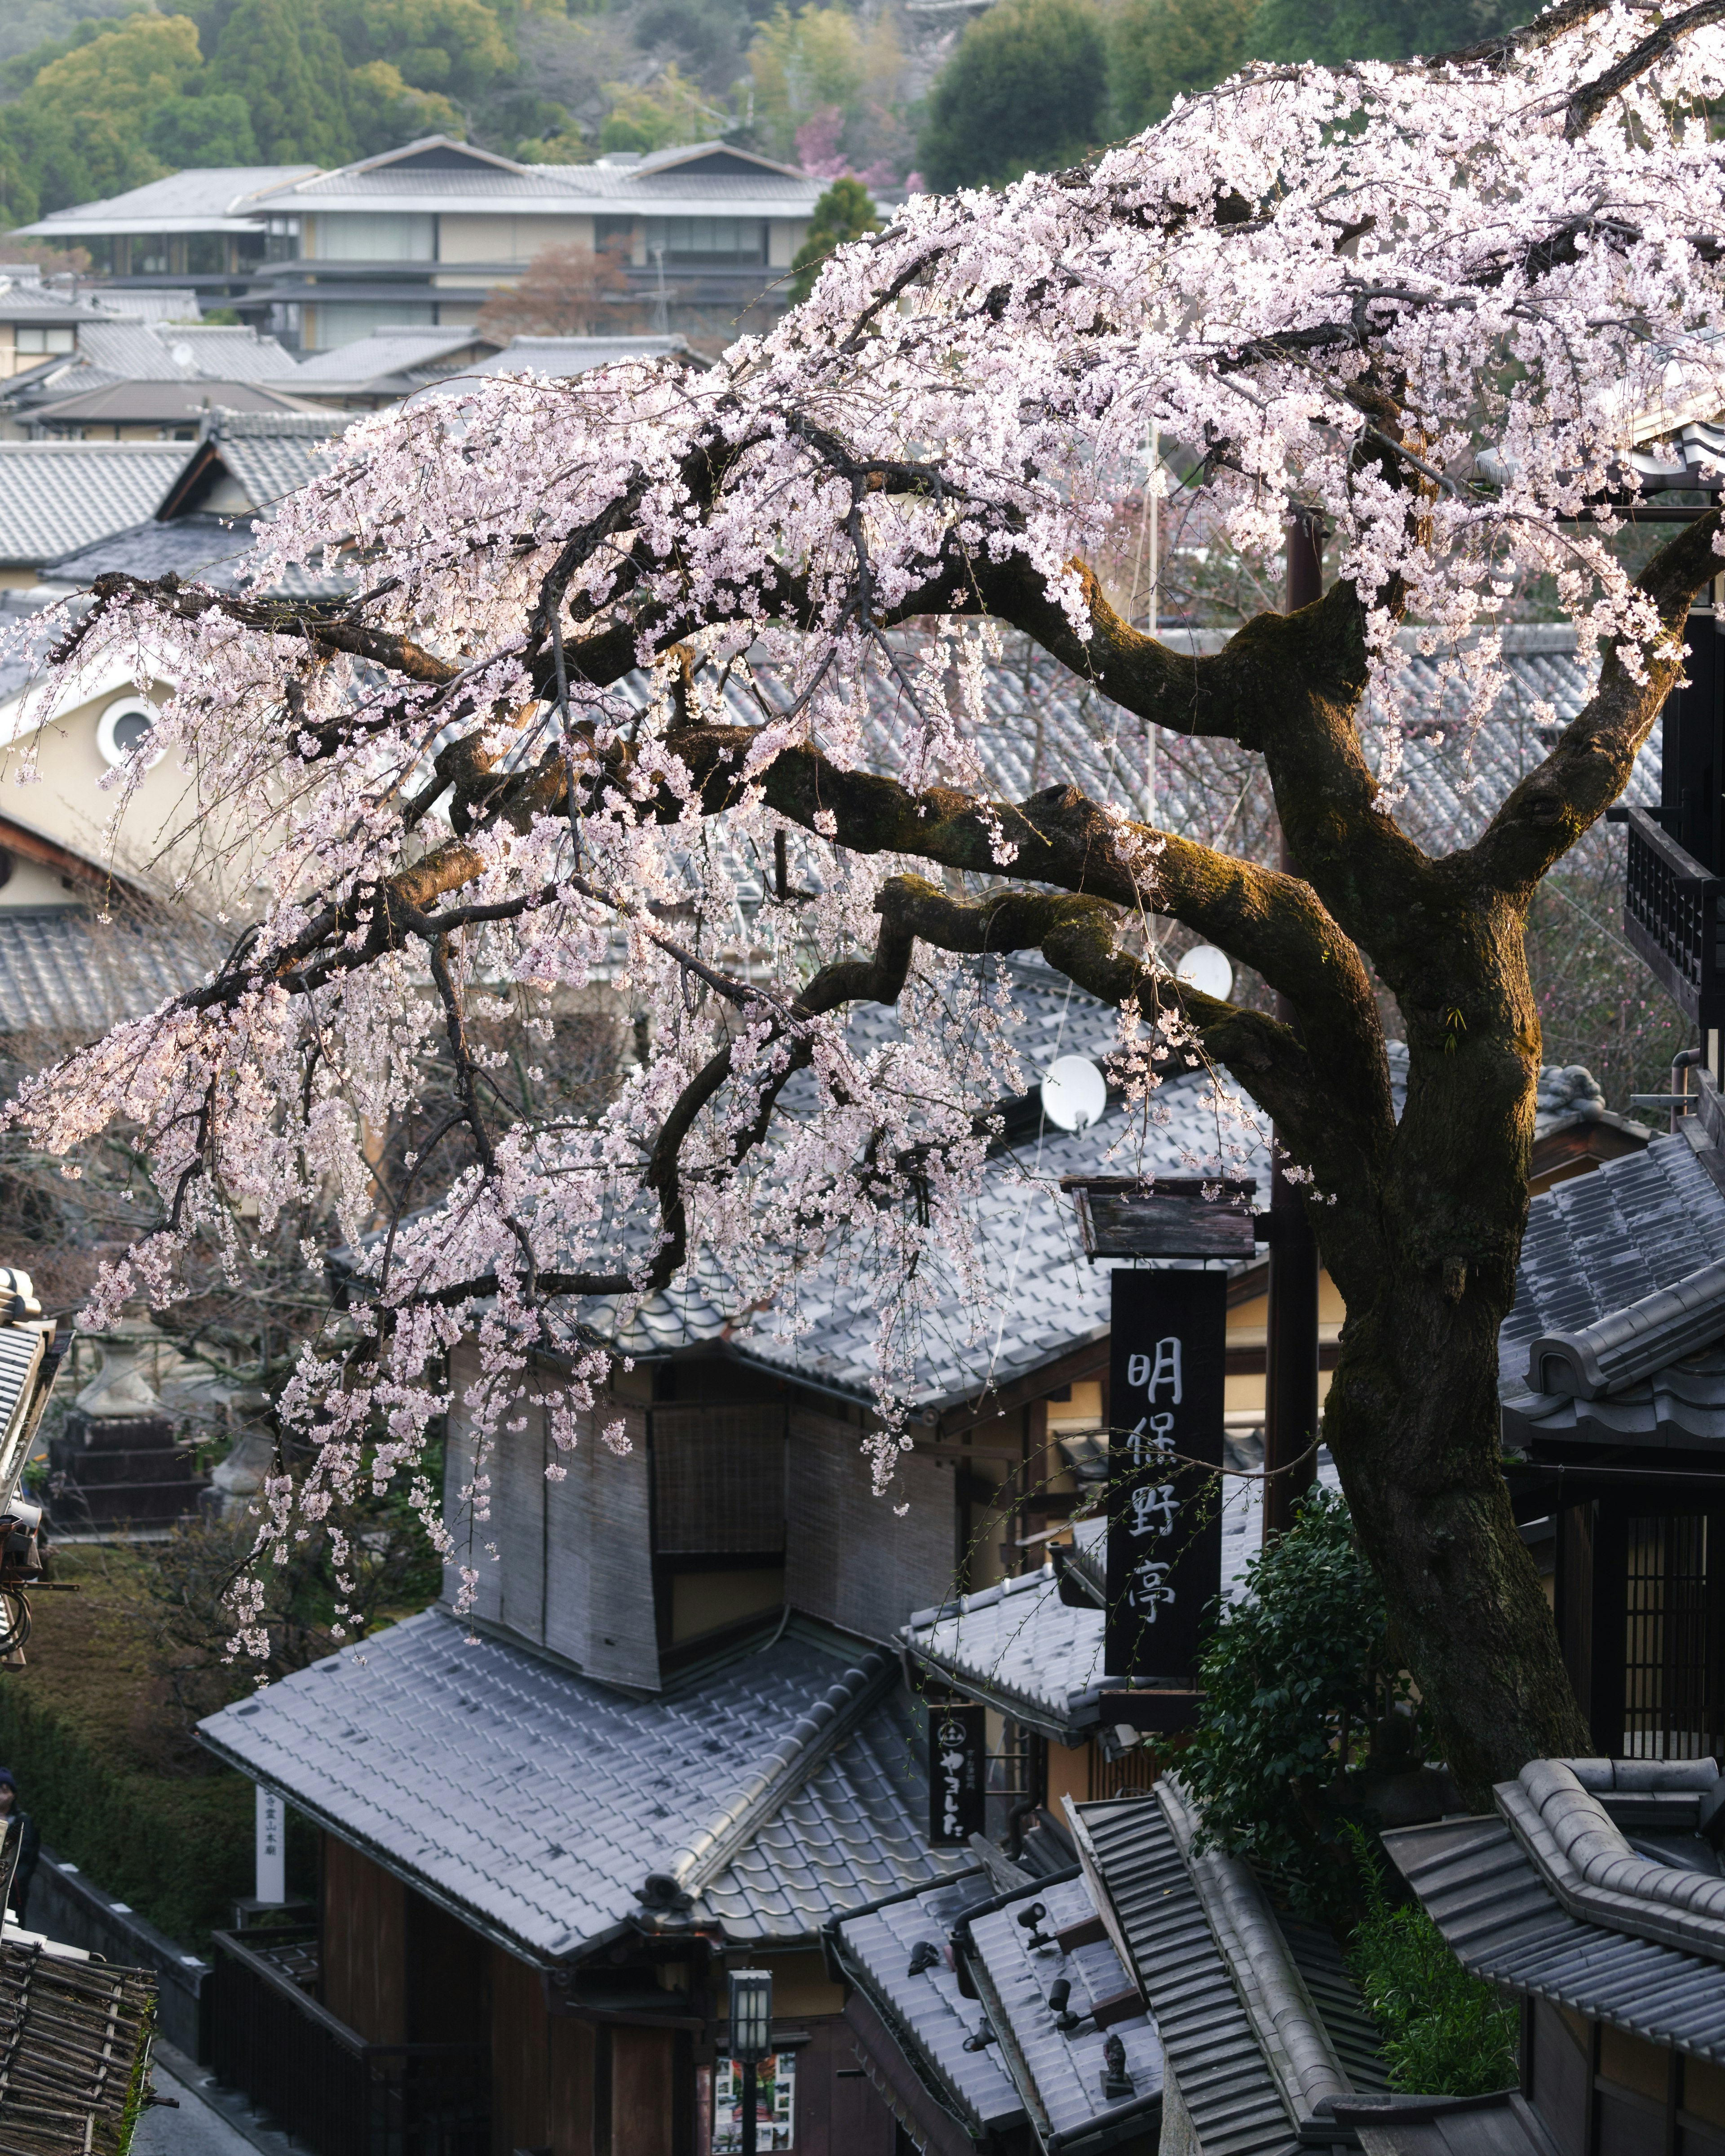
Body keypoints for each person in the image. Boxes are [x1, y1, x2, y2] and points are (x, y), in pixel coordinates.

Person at [0, 1773, 41, 1928]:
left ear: (14, 1795)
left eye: (4, 1791)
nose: (1, 1796)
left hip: (10, 1884)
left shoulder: (23, 1821)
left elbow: (27, 1853)